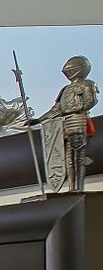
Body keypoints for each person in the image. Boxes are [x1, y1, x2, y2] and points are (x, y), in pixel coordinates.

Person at [38, 55, 98, 193]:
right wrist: (39, 120)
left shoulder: (87, 84)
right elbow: (55, 110)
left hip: (78, 121)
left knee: (79, 158)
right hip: (66, 125)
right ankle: (71, 187)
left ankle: (79, 188)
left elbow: (91, 101)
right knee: (68, 159)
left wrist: (73, 108)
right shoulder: (65, 89)